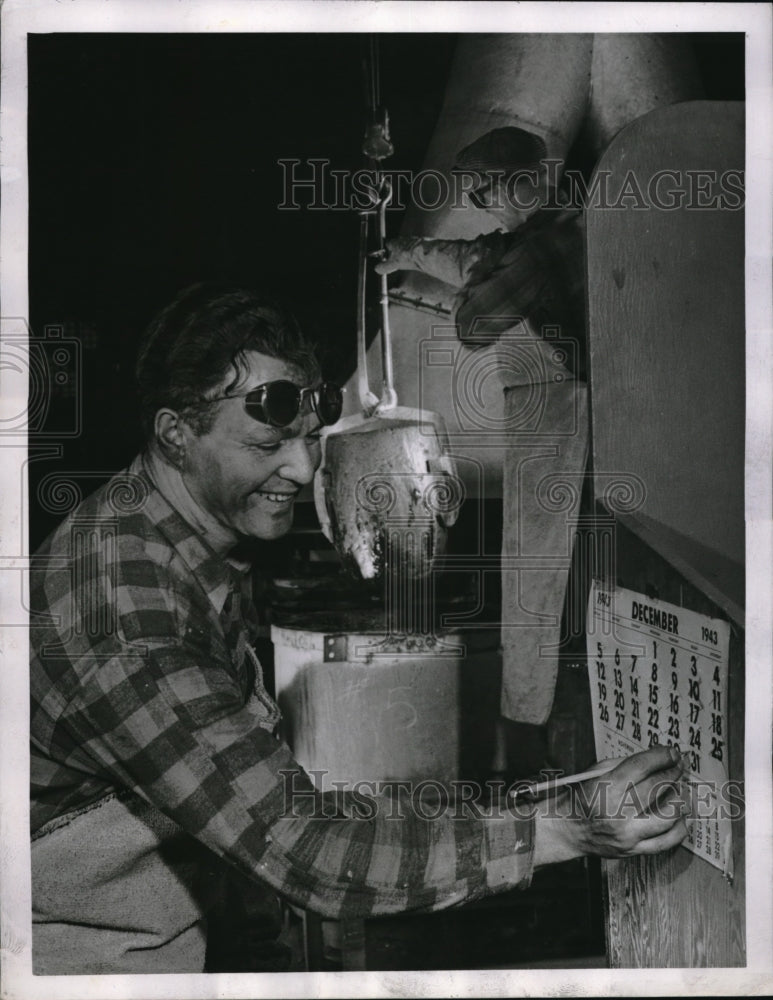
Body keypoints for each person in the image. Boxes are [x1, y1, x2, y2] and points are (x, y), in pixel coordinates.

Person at [30, 283, 689, 975]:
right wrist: (567, 826)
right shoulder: (129, 618)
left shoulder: (169, 528)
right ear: (175, 433)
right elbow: (307, 851)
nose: (303, 468)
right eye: (266, 444)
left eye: (309, 439)